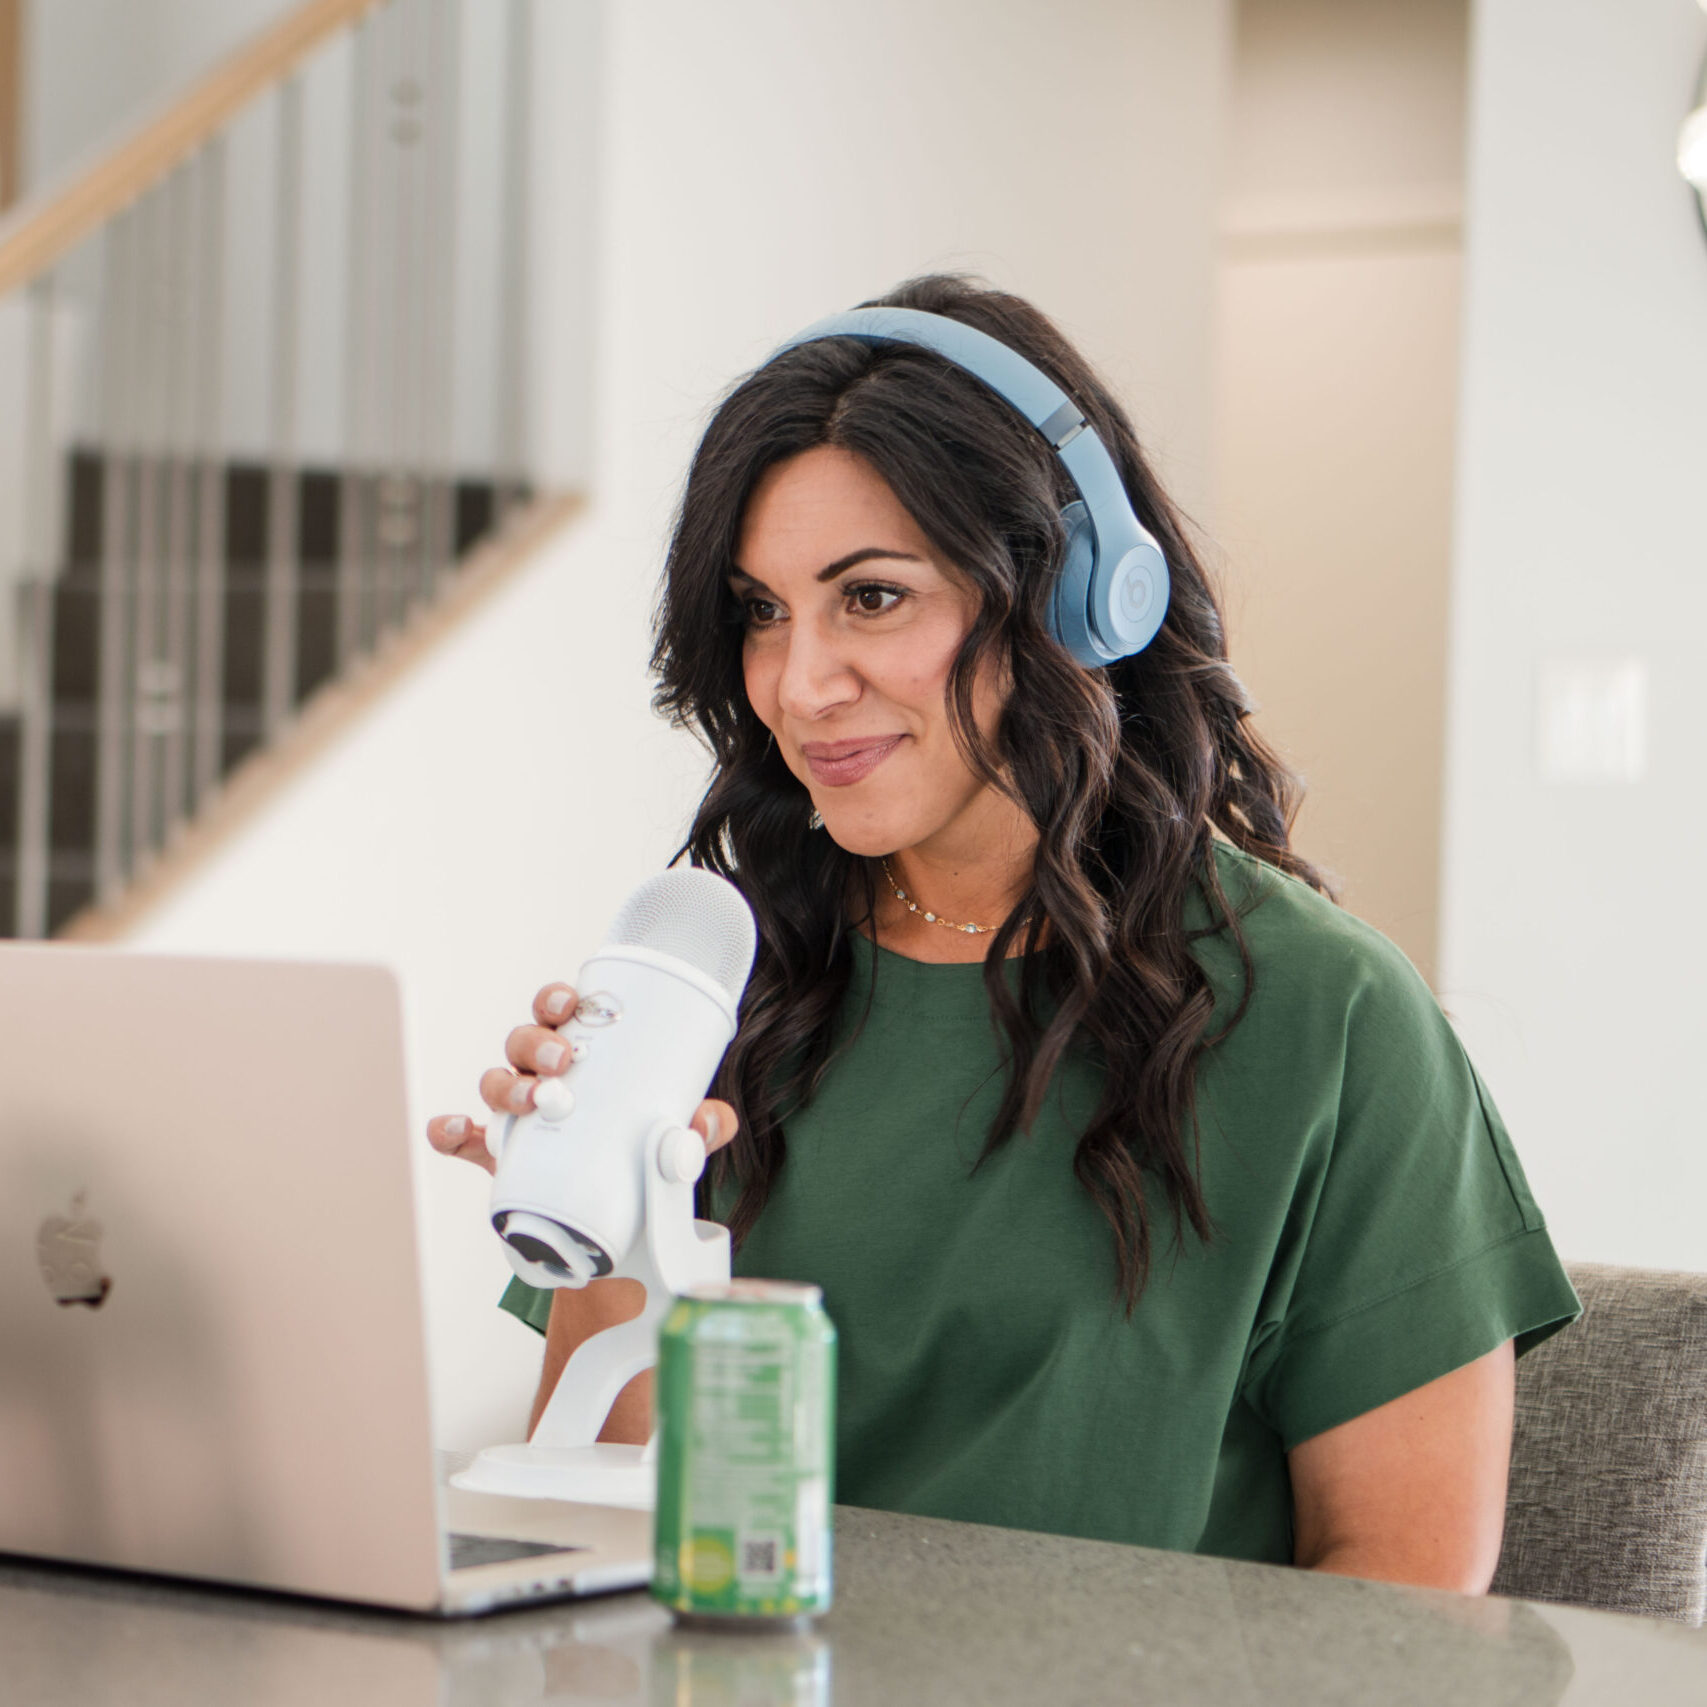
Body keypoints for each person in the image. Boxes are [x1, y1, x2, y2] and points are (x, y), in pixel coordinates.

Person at [427, 274, 1579, 1592]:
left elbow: (1405, 1617)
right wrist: (610, 1214)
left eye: (870, 598)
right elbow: (603, 1543)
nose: (799, 685)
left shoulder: (1326, 1019)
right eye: (760, 611)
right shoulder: (719, 985)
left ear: (1083, 596)